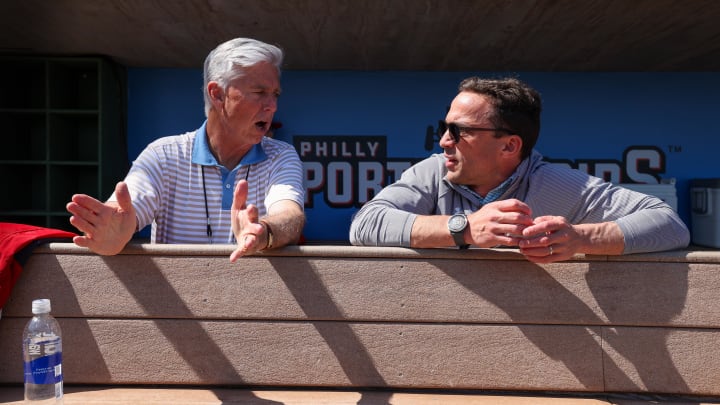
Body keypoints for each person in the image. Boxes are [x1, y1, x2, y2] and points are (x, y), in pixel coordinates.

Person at [349, 76, 689, 263]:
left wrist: (580, 238)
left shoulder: (556, 183)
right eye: (444, 127)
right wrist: (464, 229)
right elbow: (365, 225)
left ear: (509, 146)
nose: (443, 142)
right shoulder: (433, 171)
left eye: (460, 131)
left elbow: (669, 224)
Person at [66, 37, 305, 262]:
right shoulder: (163, 155)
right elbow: (124, 214)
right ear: (218, 95)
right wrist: (116, 231)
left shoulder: (280, 156)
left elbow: (290, 216)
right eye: (260, 93)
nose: (272, 106)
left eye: (275, 95)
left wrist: (263, 232)